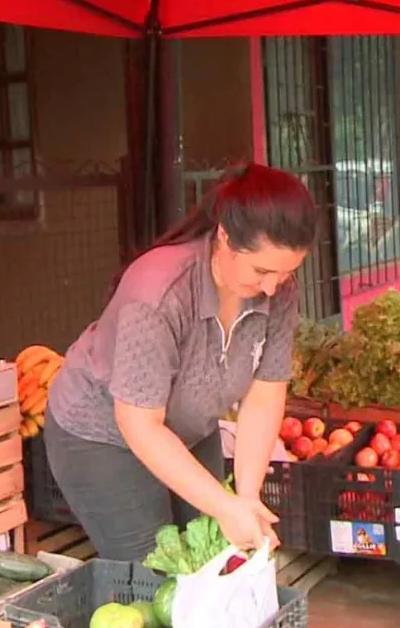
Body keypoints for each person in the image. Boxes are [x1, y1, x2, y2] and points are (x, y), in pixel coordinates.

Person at [44, 162, 317, 561]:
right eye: (261, 270)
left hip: (188, 428)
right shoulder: (158, 294)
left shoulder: (279, 291)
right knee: (156, 573)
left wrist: (245, 498)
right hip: (103, 437)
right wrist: (224, 506)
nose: (272, 286)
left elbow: (264, 395)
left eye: (287, 272)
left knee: (211, 554)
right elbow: (140, 424)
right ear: (225, 237)